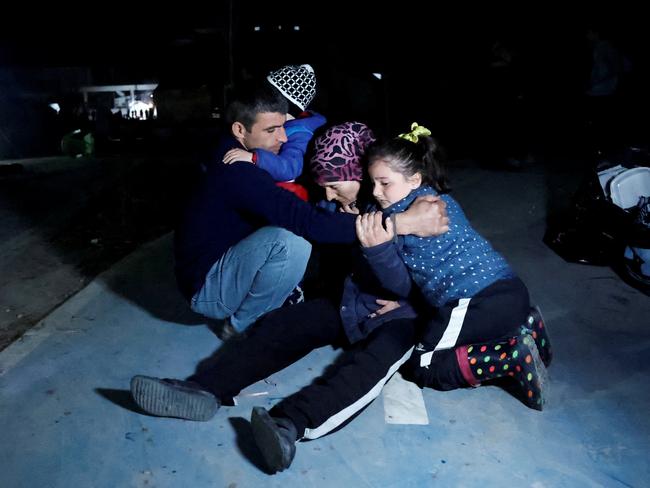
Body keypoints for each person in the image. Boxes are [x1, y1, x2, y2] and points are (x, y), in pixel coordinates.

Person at [130, 122, 448, 474]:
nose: (327, 194)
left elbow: (453, 273)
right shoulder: (338, 208)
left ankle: (288, 425)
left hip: (403, 317)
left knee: (367, 368)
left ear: (362, 173)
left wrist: (413, 303)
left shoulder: (417, 205)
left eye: (333, 184)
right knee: (285, 326)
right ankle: (203, 389)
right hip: (352, 301)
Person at [174, 81, 450, 339]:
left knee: (312, 228)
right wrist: (402, 222)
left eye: (284, 126)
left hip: (220, 260)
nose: (283, 137)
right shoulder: (238, 170)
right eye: (271, 130)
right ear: (239, 130)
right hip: (209, 289)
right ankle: (241, 329)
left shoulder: (236, 149)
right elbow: (307, 222)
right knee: (292, 242)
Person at [355, 122, 552, 411]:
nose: (376, 192)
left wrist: (377, 246)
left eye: (385, 183)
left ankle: (510, 355)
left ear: (413, 179)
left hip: (475, 304)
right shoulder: (439, 200)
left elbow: (396, 283)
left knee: (422, 366)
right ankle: (526, 325)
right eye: (372, 183)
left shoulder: (397, 219)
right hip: (512, 291)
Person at [223, 64, 324, 201]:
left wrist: (254, 158)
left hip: (293, 194)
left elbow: (290, 169)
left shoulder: (301, 134)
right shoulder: (294, 126)